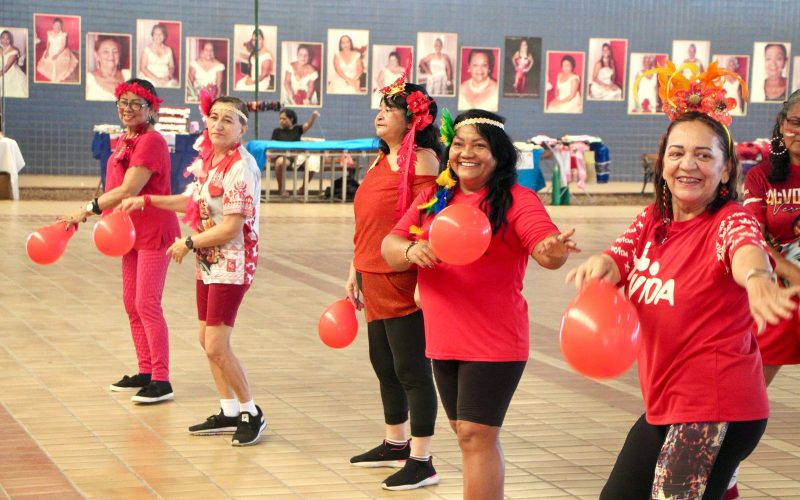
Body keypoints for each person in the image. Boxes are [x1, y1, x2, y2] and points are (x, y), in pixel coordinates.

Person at [576, 62, 799, 499]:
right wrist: (600, 268)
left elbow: (745, 249)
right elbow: (618, 255)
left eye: (704, 154)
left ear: (726, 168)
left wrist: (756, 278)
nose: (687, 165)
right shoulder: (654, 220)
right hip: (667, 404)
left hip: (717, 407)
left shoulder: (729, 221)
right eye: (677, 153)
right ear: (662, 164)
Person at [382, 109, 579, 499]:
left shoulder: (517, 200)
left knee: (476, 435)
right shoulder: (434, 198)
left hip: (494, 340)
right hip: (444, 339)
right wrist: (410, 249)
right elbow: (390, 246)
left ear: (499, 155)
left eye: (479, 145)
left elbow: (545, 248)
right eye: (458, 144)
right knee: (467, 436)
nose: (465, 153)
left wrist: (552, 248)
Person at [120, 95, 265, 446]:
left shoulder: (240, 168)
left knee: (216, 344)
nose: (217, 124)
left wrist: (188, 243)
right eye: (213, 117)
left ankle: (252, 412)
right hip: (209, 261)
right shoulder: (211, 160)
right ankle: (228, 410)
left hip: (232, 261)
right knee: (207, 340)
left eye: (227, 120)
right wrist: (149, 200)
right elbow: (192, 201)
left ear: (242, 128)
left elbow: (231, 227)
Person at [345, 79, 441, 491]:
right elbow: (367, 222)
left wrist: (423, 278)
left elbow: (428, 222)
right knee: (384, 365)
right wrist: (354, 268)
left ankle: (422, 459)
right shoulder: (377, 161)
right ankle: (395, 442)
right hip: (371, 272)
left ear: (413, 119)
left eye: (389, 108)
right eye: (379, 107)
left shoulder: (422, 160)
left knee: (412, 370)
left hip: (403, 276)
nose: (379, 114)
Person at [60, 78, 180, 404]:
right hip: (128, 232)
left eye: (136, 104)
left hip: (154, 231)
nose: (127, 110)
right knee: (131, 303)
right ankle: (145, 371)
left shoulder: (151, 140)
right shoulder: (126, 139)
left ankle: (162, 378)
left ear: (151, 109)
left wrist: (86, 210)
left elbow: (128, 189)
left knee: (147, 304)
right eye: (122, 103)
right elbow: (113, 187)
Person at [270, 108, 320, 197]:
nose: (281, 121)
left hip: (298, 157)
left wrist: (313, 116)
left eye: (284, 119)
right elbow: (272, 147)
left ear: (291, 119)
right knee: (279, 162)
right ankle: (281, 189)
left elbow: (308, 125)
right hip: (285, 157)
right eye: (280, 119)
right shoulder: (276, 131)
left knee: (312, 164)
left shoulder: (297, 129)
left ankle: (303, 189)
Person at [86, 36, 130, 101]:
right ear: (97, 55)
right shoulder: (88, 79)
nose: (111, 56)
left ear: (119, 54)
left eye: (115, 51)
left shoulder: (128, 75)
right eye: (106, 52)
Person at [36, 18, 79, 83]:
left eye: (59, 26)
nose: (57, 27)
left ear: (61, 27)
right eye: (55, 25)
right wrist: (47, 52)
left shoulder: (63, 35)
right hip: (51, 50)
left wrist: (57, 55)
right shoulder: (49, 33)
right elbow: (48, 43)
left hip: (60, 52)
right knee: (46, 60)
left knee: (55, 63)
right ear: (53, 25)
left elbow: (63, 47)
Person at [139, 23, 178, 88]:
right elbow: (143, 68)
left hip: (165, 77)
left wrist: (169, 76)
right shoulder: (147, 49)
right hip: (149, 77)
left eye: (160, 34)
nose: (158, 36)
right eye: (155, 34)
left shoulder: (169, 50)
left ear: (164, 36)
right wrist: (157, 80)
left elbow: (172, 66)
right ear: (152, 35)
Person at [0, 30, 28, 98]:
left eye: (7, 38)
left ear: (10, 40)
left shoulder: (14, 51)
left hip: (8, 72)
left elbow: (6, 68)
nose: (5, 40)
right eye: (3, 38)